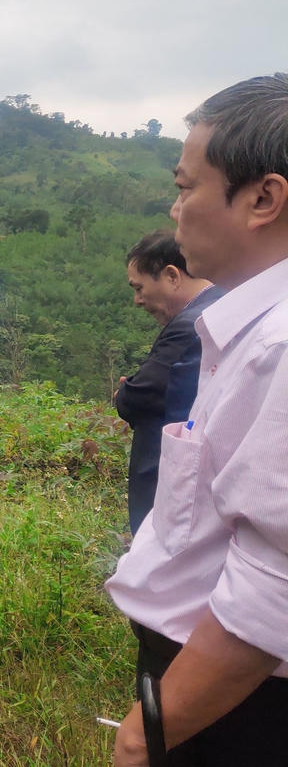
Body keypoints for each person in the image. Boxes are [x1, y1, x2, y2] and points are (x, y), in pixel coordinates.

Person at [106, 74, 288, 766]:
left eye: (186, 188)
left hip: (231, 706)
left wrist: (149, 731)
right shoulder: (245, 329)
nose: (175, 210)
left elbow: (275, 585)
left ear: (263, 199)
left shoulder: (278, 348)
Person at [115, 231, 222, 533]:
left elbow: (140, 397)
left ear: (172, 276)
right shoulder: (223, 304)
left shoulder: (192, 325)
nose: (137, 300)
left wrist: (125, 391)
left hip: (176, 488)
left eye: (140, 288)